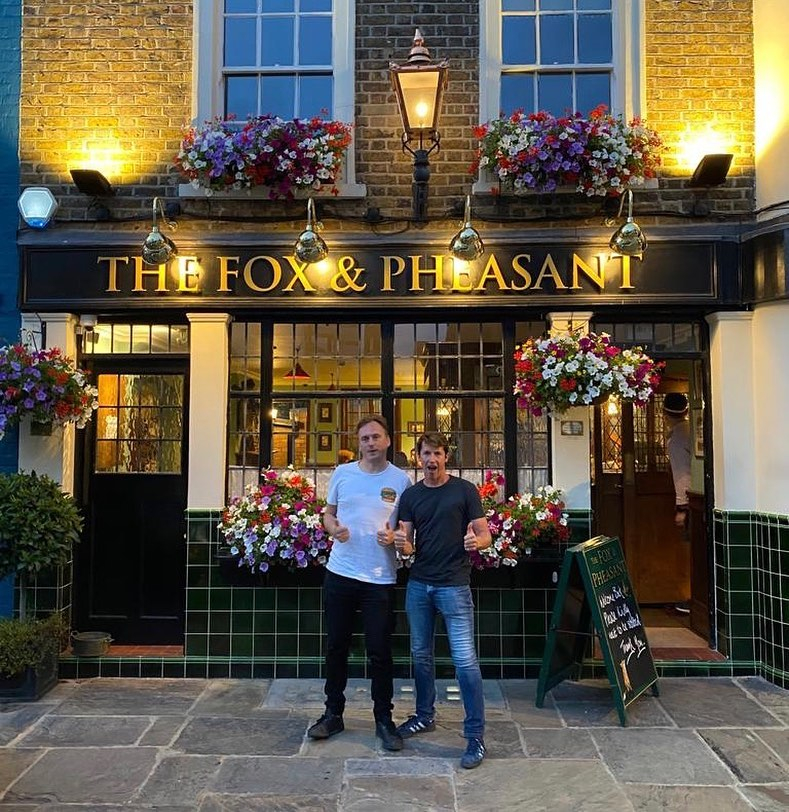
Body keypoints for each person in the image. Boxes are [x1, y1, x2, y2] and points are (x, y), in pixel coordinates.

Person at [308, 415, 411, 752]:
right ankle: (332, 714)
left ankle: (384, 719)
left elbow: (408, 532)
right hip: (340, 573)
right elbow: (328, 513)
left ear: (388, 441)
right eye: (365, 438)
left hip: (379, 579)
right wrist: (332, 528)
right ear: (358, 443)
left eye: (376, 437)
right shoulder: (343, 474)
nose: (370, 444)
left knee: (380, 652)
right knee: (336, 646)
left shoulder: (401, 480)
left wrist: (394, 537)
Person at [392, 431, 492, 769]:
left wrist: (476, 543)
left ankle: (475, 736)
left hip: (454, 586)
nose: (431, 460)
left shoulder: (464, 490)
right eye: (425, 454)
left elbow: (485, 534)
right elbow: (408, 543)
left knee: (465, 662)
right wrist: (398, 543)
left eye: (437, 453)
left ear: (446, 456)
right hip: (419, 584)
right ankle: (424, 716)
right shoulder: (411, 496)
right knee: (421, 655)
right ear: (417, 457)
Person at [663, 392, 692, 614]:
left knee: (690, 547)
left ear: (664, 413)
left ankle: (690, 597)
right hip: (695, 496)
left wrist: (681, 506)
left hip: (689, 499)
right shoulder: (689, 430)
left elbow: (682, 473)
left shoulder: (678, 437)